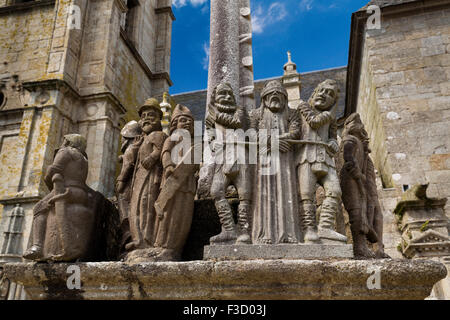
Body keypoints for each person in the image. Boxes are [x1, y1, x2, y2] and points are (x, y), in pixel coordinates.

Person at [23, 134, 97, 261]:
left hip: (65, 189)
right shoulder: (84, 159)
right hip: (80, 193)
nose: (63, 143)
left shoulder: (65, 152)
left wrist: (50, 183)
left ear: (69, 142)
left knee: (38, 208)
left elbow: (53, 170)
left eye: (65, 140)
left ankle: (37, 247)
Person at [295, 79, 347, 244]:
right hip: (305, 157)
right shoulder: (302, 108)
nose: (325, 95)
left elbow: (332, 137)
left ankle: (325, 228)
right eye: (322, 91)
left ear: (334, 101)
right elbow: (313, 122)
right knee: (306, 195)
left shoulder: (331, 119)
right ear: (315, 92)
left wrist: (333, 143)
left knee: (335, 191)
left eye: (330, 94)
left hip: (325, 158)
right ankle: (308, 231)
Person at [250, 80, 301, 244]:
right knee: (264, 194)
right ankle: (265, 234)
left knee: (287, 192)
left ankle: (290, 234)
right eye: (271, 96)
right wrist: (274, 141)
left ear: (284, 99)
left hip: (286, 161)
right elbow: (252, 135)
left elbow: (295, 133)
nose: (274, 98)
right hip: (264, 159)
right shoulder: (256, 115)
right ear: (264, 99)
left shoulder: (291, 114)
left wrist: (275, 140)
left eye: (278, 96)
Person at [205, 83, 252, 245]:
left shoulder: (240, 111)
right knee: (216, 191)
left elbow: (237, 122)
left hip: (241, 156)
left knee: (245, 194)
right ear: (215, 97)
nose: (226, 97)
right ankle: (229, 231)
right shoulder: (211, 116)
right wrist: (212, 141)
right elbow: (210, 130)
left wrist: (215, 114)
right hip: (222, 158)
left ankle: (245, 231)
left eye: (228, 94)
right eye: (221, 94)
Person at [153, 104, 199, 261]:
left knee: (183, 215)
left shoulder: (194, 143)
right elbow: (165, 154)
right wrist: (168, 166)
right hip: (171, 180)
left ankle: (175, 247)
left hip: (188, 184)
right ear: (174, 124)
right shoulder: (172, 139)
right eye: (183, 120)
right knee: (167, 214)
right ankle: (162, 245)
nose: (186, 124)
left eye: (189, 122)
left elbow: (197, 163)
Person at [126, 98, 167, 251]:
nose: (146, 119)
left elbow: (161, 149)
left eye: (150, 115)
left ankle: (146, 239)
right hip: (140, 177)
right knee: (135, 207)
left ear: (158, 118)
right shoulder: (143, 139)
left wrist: (153, 157)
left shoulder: (158, 135)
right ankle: (137, 238)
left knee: (146, 206)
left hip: (151, 177)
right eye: (143, 116)